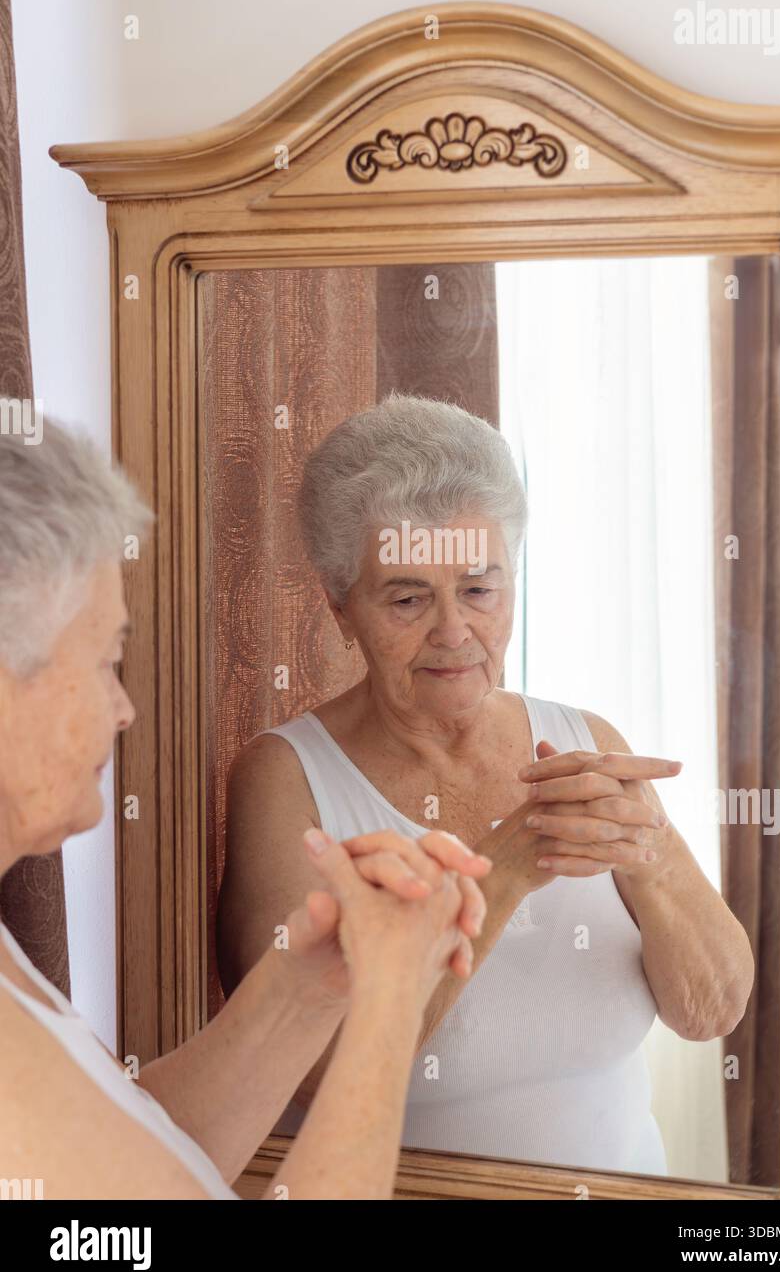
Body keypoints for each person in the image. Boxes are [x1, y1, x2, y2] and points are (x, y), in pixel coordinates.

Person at [218, 393, 755, 1175]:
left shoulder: (586, 740)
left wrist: (656, 854)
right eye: (407, 598)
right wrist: (502, 872)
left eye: (479, 588)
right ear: (341, 608)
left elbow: (713, 1012)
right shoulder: (286, 778)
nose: (453, 631)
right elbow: (307, 1072)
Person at [0, 411, 491, 1200]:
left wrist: (310, 986)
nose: (124, 709)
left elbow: (135, 1172)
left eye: (479, 587)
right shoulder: (285, 768)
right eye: (104, 660)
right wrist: (391, 1003)